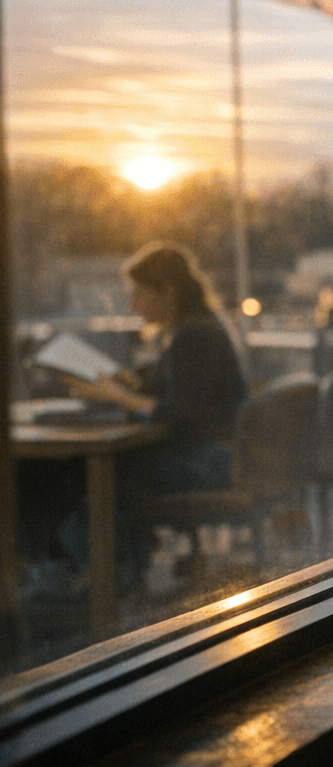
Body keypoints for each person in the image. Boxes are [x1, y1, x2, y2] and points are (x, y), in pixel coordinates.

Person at [65, 241, 247, 577]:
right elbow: (179, 392)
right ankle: (119, 566)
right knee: (107, 469)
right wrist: (127, 385)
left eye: (139, 294)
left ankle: (109, 573)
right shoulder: (200, 328)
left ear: (168, 292)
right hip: (219, 457)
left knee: (98, 473)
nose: (132, 304)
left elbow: (180, 411)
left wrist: (117, 396)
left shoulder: (193, 336)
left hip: (209, 464)